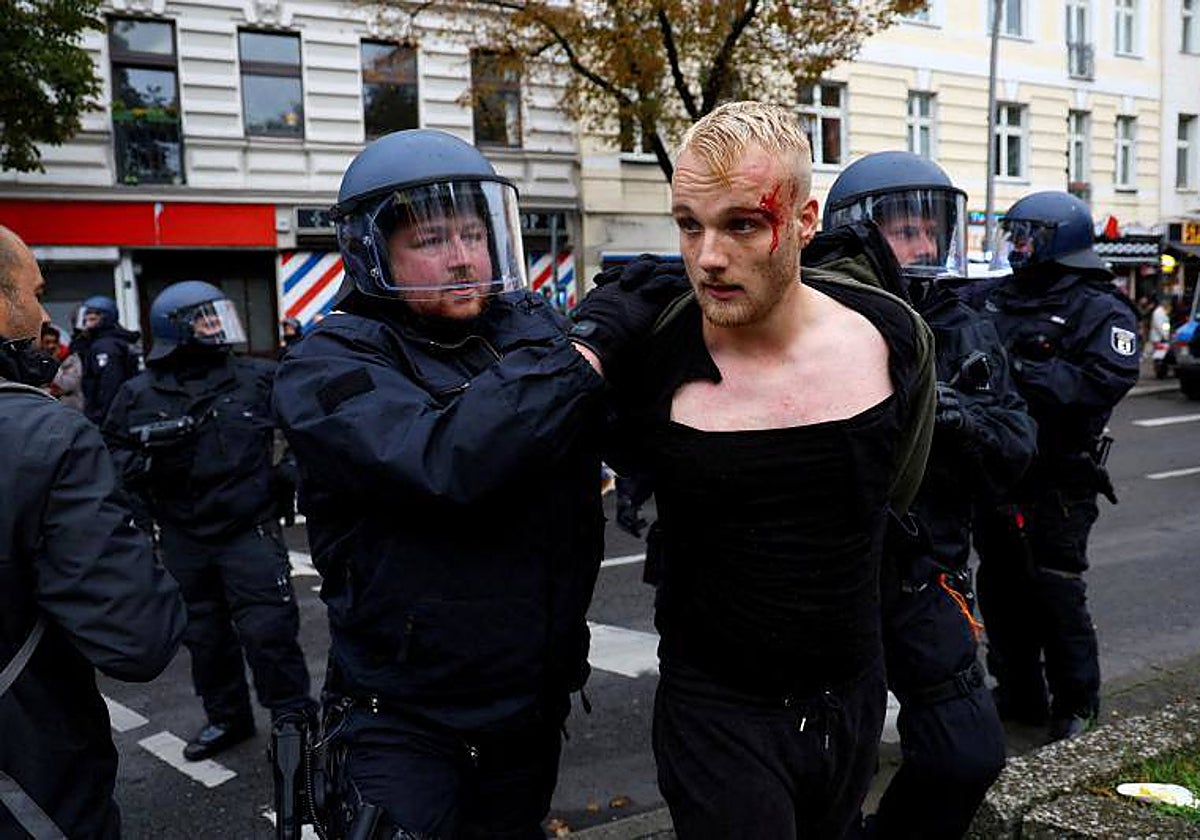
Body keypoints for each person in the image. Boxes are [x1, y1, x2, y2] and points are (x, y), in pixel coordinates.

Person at [272, 128, 684, 839]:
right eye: (433, 239)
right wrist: (584, 348)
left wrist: (686, 327)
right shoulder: (329, 363)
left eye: (475, 233)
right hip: (405, 720)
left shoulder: (527, 329)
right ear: (374, 251)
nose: (464, 257)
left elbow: (628, 430)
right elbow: (445, 457)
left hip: (527, 709)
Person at [583, 102, 937, 840]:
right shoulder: (653, 351)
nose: (708, 255)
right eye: (689, 224)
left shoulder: (891, 335)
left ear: (804, 221)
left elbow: (894, 487)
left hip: (851, 695)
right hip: (717, 711)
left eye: (742, 224)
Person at [823, 151, 1038, 838]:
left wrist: (958, 420)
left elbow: (1017, 442)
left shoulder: (966, 323)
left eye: (930, 226)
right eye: (902, 227)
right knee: (823, 773)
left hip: (925, 575)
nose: (921, 244)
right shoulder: (812, 319)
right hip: (831, 586)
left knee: (967, 753)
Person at [0, 226, 185, 839]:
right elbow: (138, 638)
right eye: (33, 293)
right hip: (31, 794)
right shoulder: (44, 437)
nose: (43, 314)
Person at [103, 281, 315, 762]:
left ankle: (292, 723)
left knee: (269, 631)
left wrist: (285, 479)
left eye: (220, 316)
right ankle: (227, 717)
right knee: (205, 637)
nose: (218, 326)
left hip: (249, 530)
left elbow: (306, 433)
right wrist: (151, 461)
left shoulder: (257, 378)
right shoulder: (138, 394)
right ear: (175, 330)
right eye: (206, 319)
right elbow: (112, 458)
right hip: (183, 536)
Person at [973, 191, 1140, 743]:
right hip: (999, 471)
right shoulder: (997, 295)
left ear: (1059, 241)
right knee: (1000, 587)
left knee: (1055, 592)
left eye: (1028, 235)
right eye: (1013, 234)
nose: (1017, 246)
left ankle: (1077, 702)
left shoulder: (1101, 307)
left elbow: (1100, 382)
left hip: (1060, 478)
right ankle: (1019, 692)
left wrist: (1018, 372)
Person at [70, 294, 143, 426]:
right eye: (85, 317)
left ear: (105, 318)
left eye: (92, 318)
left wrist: (100, 420)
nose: (86, 322)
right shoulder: (112, 342)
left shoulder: (106, 347)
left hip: (110, 420)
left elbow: (109, 388)